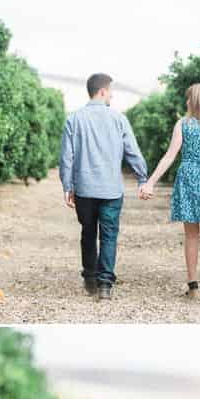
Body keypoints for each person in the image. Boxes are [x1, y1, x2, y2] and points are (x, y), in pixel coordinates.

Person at [139, 83, 200, 306]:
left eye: (188, 98)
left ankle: (193, 286)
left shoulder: (183, 124)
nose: (186, 102)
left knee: (191, 235)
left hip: (188, 178)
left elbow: (169, 156)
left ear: (194, 100)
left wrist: (150, 182)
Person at [59, 73, 148, 300]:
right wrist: (142, 178)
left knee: (88, 233)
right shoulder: (119, 119)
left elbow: (66, 158)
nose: (112, 95)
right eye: (110, 91)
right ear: (102, 91)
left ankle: (90, 278)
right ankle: (105, 284)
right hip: (111, 189)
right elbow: (133, 152)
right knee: (109, 235)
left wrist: (67, 186)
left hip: (85, 189)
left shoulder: (74, 119)